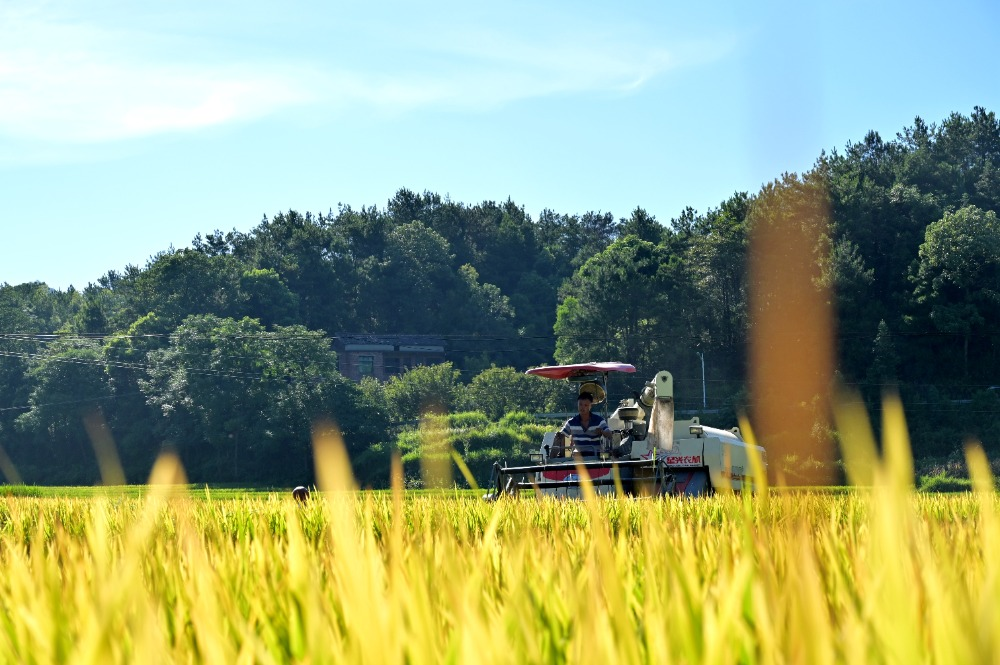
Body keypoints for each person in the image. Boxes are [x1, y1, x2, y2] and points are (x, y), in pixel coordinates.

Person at [560, 391, 612, 458]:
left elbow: (609, 434)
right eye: (580, 404)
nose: (582, 407)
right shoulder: (571, 422)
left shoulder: (599, 421)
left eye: (586, 405)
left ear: (590, 406)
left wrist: (602, 432)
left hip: (596, 457)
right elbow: (561, 436)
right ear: (577, 405)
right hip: (578, 458)